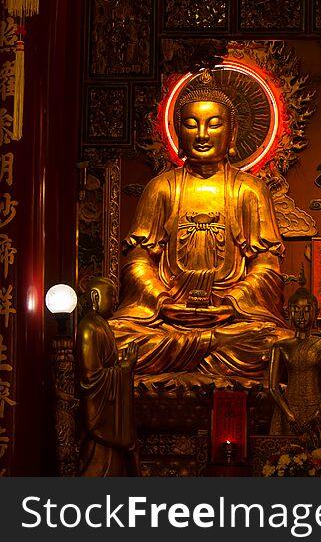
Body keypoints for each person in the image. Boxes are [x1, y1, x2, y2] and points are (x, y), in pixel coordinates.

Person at [111, 72, 289, 382]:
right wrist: (162, 301)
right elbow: (138, 262)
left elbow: (266, 268)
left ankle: (202, 352)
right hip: (166, 320)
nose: (202, 134)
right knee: (113, 340)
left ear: (232, 134)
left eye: (214, 124)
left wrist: (230, 304)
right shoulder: (161, 188)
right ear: (178, 133)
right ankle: (204, 355)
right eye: (191, 125)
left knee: (276, 346)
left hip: (230, 320)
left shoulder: (250, 190)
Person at [75, 277, 140, 476]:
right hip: (101, 420)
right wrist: (125, 368)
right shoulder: (88, 328)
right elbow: (91, 380)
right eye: (111, 296)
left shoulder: (102, 325)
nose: (116, 302)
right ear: (95, 297)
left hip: (112, 416)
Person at [268, 285, 321, 435]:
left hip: (317, 407)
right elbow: (273, 387)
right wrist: (287, 413)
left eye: (307, 310)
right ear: (289, 313)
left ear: (317, 313)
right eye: (296, 310)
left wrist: (319, 412)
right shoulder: (280, 346)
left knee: (319, 452)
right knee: (287, 453)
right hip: (289, 407)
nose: (301, 315)